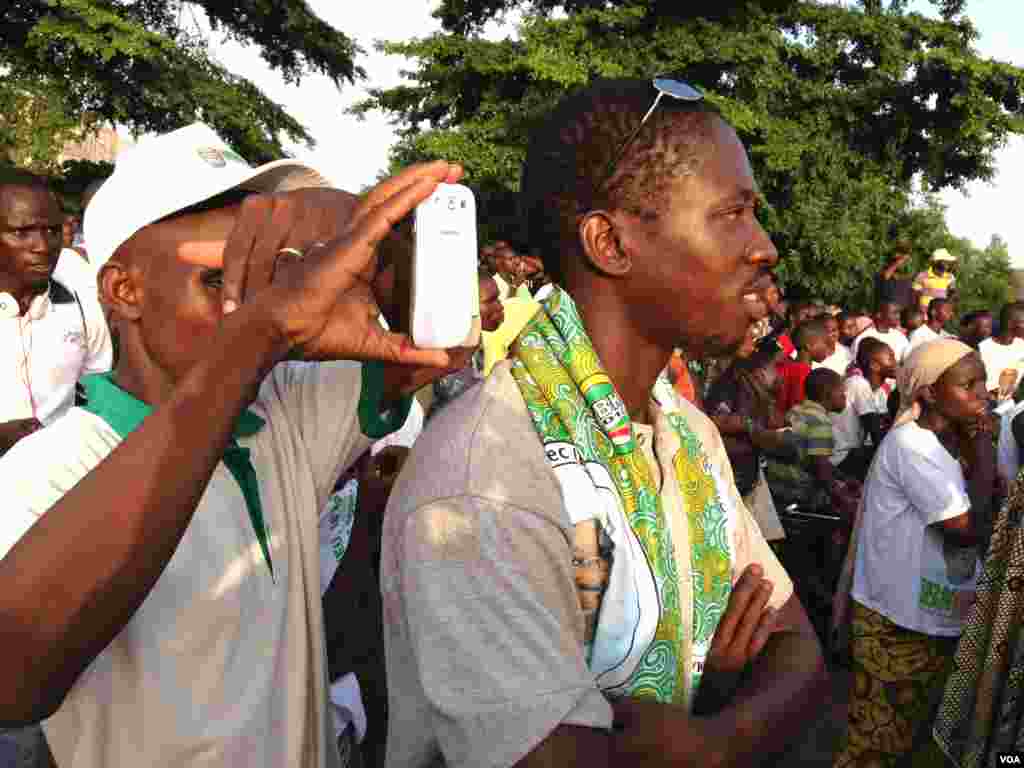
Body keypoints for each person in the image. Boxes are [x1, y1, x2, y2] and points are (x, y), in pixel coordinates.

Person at [0, 123, 494, 767]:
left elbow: (434, 337)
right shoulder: (49, 468)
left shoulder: (280, 412)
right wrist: (257, 336)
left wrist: (356, 225)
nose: (252, 300)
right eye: (218, 279)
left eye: (267, 274)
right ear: (124, 291)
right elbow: (15, 680)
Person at [381, 78, 827, 768]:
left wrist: (715, 741)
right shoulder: (486, 480)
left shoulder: (685, 431)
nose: (764, 246)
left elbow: (798, 651)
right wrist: (725, 714)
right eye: (732, 214)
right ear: (610, 243)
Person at [834, 339, 996, 768]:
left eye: (982, 381)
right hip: (897, 621)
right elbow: (964, 530)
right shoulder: (913, 446)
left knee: (923, 739)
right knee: (878, 741)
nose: (983, 391)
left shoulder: (948, 444)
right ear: (928, 393)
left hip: (934, 613)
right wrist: (984, 453)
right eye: (969, 384)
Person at [0, 170, 112, 445]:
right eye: (21, 232)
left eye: (51, 231)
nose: (42, 246)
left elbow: (102, 397)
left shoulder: (85, 307)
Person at [705, 338, 790, 543]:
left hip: (747, 475)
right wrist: (752, 429)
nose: (779, 375)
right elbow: (717, 420)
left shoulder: (759, 394)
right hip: (731, 476)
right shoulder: (730, 385)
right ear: (760, 371)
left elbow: (775, 424)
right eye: (775, 368)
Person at [763, 367, 859, 518]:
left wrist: (842, 477)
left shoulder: (797, 410)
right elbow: (821, 469)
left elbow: (814, 458)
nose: (844, 396)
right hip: (797, 490)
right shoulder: (820, 422)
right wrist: (843, 500)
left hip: (776, 484)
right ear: (827, 394)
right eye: (841, 392)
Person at [831, 338, 897, 481]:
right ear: (874, 365)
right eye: (891, 359)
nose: (895, 363)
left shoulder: (877, 389)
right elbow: (874, 430)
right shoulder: (858, 384)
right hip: (841, 457)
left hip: (852, 452)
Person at [776, 317, 831, 419]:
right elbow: (798, 408)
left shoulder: (787, 365)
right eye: (825, 343)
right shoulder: (803, 372)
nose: (828, 347)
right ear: (809, 345)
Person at [979, 302, 1024, 402]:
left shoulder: (1021, 345)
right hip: (986, 406)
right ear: (1010, 323)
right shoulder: (983, 348)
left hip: (1010, 406)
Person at [875, 239, 915, 310]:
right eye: (899, 252)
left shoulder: (908, 274)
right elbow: (885, 276)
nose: (902, 258)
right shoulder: (884, 270)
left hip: (903, 312)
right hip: (888, 311)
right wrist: (898, 262)